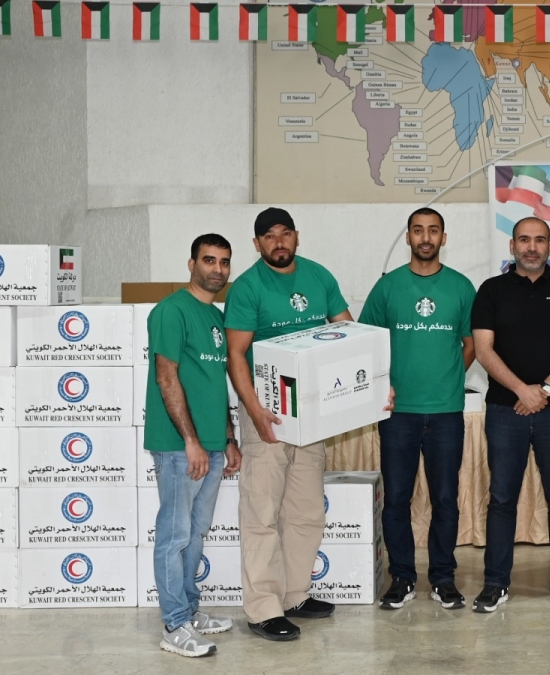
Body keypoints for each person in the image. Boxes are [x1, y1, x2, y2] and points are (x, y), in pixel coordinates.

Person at [225, 207, 352, 641]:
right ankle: (263, 608)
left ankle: (295, 594)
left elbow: (346, 334)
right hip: (268, 412)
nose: (278, 243)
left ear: (297, 237)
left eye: (285, 234)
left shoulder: (319, 277)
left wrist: (370, 385)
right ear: (257, 244)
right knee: (262, 511)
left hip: (311, 413)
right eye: (268, 237)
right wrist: (255, 409)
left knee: (305, 511)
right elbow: (236, 355)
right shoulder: (247, 288)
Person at [470, 217, 550, 612]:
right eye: (524, 239)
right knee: (502, 498)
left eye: (539, 240)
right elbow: (483, 349)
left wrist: (542, 390)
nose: (531, 247)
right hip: (505, 411)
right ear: (512, 246)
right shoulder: (490, 290)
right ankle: (495, 583)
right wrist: (521, 390)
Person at [360, 207, 476, 611]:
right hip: (398, 413)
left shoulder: (462, 288)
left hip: (445, 412)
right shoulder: (387, 288)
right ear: (408, 237)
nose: (425, 237)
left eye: (433, 230)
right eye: (418, 230)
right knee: (397, 499)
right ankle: (403, 578)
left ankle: (443, 578)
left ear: (444, 238)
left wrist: (447, 378)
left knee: (446, 498)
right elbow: (367, 343)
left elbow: (470, 342)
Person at [144, 234, 241, 657]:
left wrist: (229, 439)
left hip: (213, 446)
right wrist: (191, 442)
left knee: (196, 533)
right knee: (174, 533)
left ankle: (189, 610)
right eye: (208, 260)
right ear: (191, 264)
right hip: (179, 445)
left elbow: (215, 384)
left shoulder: (216, 317)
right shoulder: (171, 311)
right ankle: (174, 625)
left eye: (223, 262)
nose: (216, 269)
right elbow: (167, 377)